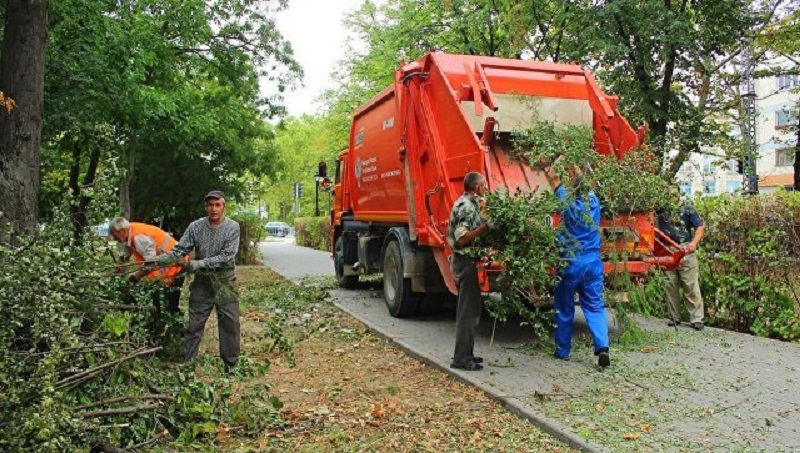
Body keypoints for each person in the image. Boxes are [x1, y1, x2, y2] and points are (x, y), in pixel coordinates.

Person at [159, 190, 242, 372]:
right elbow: (180, 249)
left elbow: (227, 256)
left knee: (230, 324)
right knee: (194, 325)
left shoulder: (233, 228)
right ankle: (188, 366)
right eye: (210, 205)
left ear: (223, 207)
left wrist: (199, 263)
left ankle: (231, 366)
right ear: (206, 207)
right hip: (202, 284)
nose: (214, 209)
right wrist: (163, 259)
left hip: (224, 283)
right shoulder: (196, 227)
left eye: (217, 205)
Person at [544, 164, 610, 369]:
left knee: (564, 307)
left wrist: (549, 163)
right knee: (595, 306)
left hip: (571, 261)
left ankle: (562, 350)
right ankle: (603, 347)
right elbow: (584, 183)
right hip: (593, 262)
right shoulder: (594, 202)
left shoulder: (569, 202)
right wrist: (577, 166)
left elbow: (554, 180)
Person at [446, 171, 494, 371]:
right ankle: (461, 359)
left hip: (467, 261)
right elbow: (462, 238)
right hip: (465, 263)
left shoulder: (470, 203)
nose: (486, 189)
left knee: (473, 310)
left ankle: (468, 353)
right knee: (467, 313)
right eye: (483, 185)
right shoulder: (466, 206)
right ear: (477, 187)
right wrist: (486, 228)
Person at [108, 217, 187, 314]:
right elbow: (127, 252)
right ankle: (162, 319)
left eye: (114, 235)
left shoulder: (139, 238)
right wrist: (120, 266)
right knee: (159, 300)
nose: (114, 238)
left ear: (122, 231)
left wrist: (134, 278)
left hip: (175, 265)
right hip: (169, 263)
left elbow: (151, 264)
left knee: (167, 303)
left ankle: (173, 322)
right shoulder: (130, 230)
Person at [656, 187, 706, 331]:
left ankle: (697, 319)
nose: (671, 196)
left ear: (678, 194)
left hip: (685, 251)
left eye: (673, 194)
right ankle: (674, 317)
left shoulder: (688, 209)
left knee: (690, 285)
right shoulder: (661, 211)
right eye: (668, 194)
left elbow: (700, 227)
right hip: (667, 251)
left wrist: (693, 244)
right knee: (670, 285)